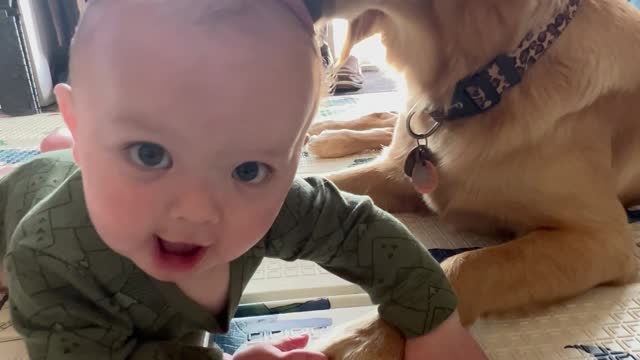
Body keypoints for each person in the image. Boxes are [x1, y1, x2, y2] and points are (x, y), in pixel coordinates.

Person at [0, 1, 487, 359]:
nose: (198, 209)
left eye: (247, 169)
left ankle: (86, 148)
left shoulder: (275, 204)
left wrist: (435, 324)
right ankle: (49, 156)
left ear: (295, 157)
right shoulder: (46, 258)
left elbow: (359, 231)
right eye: (149, 154)